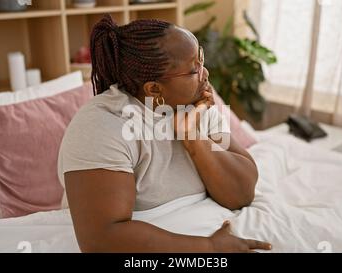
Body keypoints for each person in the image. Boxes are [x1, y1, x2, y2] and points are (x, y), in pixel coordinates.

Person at [57, 14, 271, 253]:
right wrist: (209, 247)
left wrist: (192, 138)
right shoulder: (102, 126)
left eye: (200, 58)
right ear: (154, 89)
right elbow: (102, 238)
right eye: (193, 70)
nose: (206, 73)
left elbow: (242, 193)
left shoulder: (196, 104)